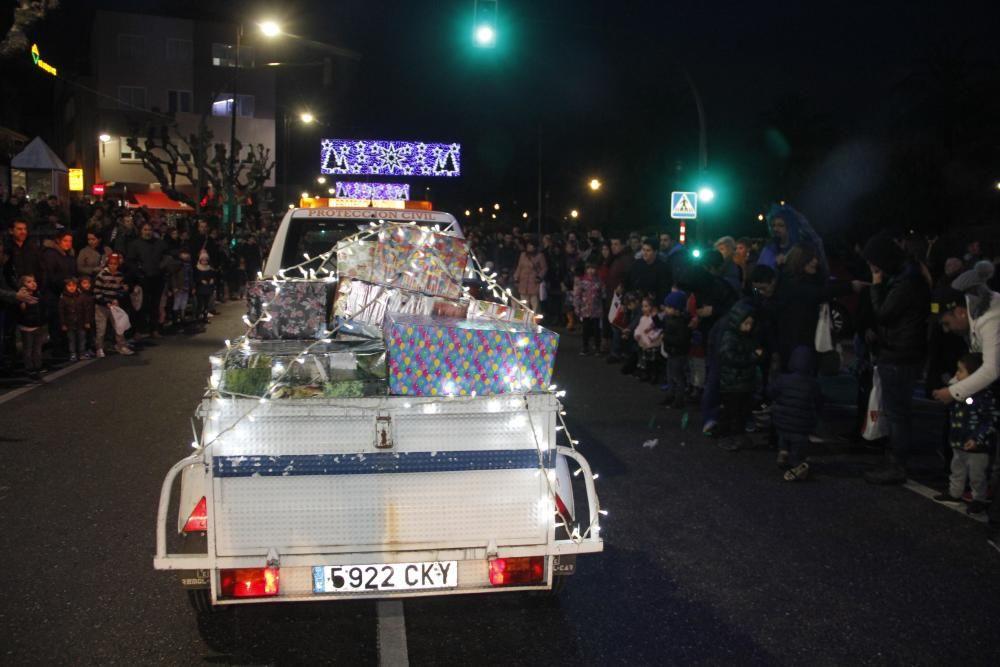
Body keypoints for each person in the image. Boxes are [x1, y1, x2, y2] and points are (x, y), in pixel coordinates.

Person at [862, 233, 931, 484]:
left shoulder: (905, 281)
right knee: (900, 411)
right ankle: (896, 461)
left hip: (899, 353)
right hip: (906, 350)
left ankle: (897, 465)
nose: (872, 267)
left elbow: (884, 313)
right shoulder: (910, 273)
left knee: (897, 412)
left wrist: (876, 284)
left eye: (873, 262)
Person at [933, 353, 995, 517]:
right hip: (959, 440)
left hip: (976, 445)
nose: (957, 375)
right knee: (957, 468)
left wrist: (977, 438)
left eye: (961, 371)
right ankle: (955, 493)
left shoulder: (983, 397)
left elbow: (990, 421)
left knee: (977, 474)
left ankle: (979, 499)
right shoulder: (960, 394)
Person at [768, 346, 821, 481]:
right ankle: (797, 464)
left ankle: (783, 451)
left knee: (783, 434)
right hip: (801, 425)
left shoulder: (783, 379)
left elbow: (771, 392)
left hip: (781, 420)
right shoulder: (812, 384)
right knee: (798, 444)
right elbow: (819, 402)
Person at [717, 302, 762, 451]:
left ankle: (738, 435)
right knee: (730, 411)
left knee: (742, 411)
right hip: (732, 382)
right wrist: (753, 357)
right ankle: (725, 436)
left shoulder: (746, 337)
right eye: (746, 323)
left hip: (743, 381)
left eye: (751, 324)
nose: (748, 327)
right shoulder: (730, 337)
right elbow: (730, 357)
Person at [127, 222, 168, 336]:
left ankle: (154, 329)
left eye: (149, 229)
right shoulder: (135, 244)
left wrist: (161, 267)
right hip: (142, 279)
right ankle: (139, 329)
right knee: (141, 305)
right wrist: (138, 272)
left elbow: (167, 257)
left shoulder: (160, 243)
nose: (148, 232)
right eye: (145, 229)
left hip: (157, 278)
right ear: (141, 231)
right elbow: (130, 261)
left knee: (155, 304)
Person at [93, 253, 133, 357]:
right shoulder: (101, 275)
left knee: (119, 326)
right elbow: (97, 292)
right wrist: (105, 302)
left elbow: (121, 290)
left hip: (114, 305)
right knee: (101, 329)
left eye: (115, 264)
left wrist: (117, 298)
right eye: (111, 263)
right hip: (102, 306)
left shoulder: (120, 275)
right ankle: (99, 348)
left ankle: (121, 346)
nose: (113, 266)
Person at [659, 290, 691, 409]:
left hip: (678, 352)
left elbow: (681, 340)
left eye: (669, 307)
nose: (666, 309)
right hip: (671, 351)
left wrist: (666, 337)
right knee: (670, 375)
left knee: (677, 376)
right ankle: (670, 395)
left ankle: (679, 399)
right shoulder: (670, 319)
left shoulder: (682, 322)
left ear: (677, 309)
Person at [572, 259, 604, 355]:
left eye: (593, 268)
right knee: (585, 330)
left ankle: (597, 347)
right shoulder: (582, 281)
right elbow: (577, 295)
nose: (591, 271)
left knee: (596, 330)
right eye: (589, 268)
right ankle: (585, 347)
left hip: (596, 310)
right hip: (585, 309)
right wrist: (577, 307)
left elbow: (603, 294)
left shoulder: (599, 281)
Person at [16, 274, 45, 379]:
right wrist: (23, 301)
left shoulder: (38, 294)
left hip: (38, 325)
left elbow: (42, 310)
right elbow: (22, 312)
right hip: (27, 327)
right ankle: (29, 368)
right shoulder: (22, 297)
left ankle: (37, 366)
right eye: (28, 282)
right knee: (28, 349)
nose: (33, 283)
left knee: (37, 348)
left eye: (34, 281)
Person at [58, 277, 89, 362]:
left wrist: (87, 321)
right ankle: (73, 354)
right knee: (71, 339)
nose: (71, 287)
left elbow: (86, 310)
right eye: (69, 286)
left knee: (82, 338)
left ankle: (82, 353)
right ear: (65, 287)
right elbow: (61, 312)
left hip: (81, 322)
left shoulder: (81, 297)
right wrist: (63, 324)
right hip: (69, 323)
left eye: (73, 285)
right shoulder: (63, 298)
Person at [633, 296, 663, 382]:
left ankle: (654, 376)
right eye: (643, 306)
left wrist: (652, 336)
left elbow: (659, 330)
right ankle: (645, 374)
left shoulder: (654, 318)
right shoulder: (642, 318)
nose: (644, 308)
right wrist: (637, 334)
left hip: (652, 343)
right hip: (643, 343)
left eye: (646, 306)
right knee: (644, 359)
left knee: (653, 361)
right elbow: (638, 328)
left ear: (652, 307)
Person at [513, 239, 547, 313]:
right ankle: (526, 317)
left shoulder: (540, 256)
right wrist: (516, 278)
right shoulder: (523, 255)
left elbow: (544, 268)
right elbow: (519, 267)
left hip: (534, 281)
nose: (529, 247)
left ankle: (535, 319)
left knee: (534, 302)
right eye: (528, 245)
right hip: (523, 281)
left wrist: (539, 276)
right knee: (524, 302)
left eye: (530, 245)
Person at [78, 275, 96, 358]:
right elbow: (82, 311)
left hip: (91, 319)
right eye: (84, 283)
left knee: (90, 336)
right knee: (83, 338)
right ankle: (82, 352)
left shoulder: (91, 295)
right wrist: (86, 321)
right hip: (83, 321)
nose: (87, 285)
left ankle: (89, 349)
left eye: (88, 283)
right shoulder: (80, 296)